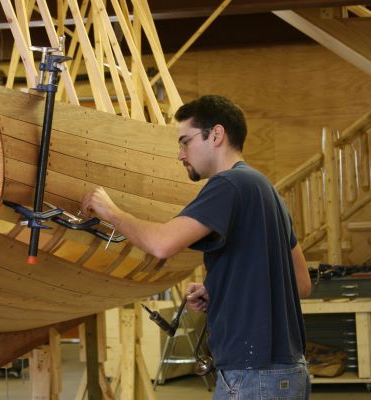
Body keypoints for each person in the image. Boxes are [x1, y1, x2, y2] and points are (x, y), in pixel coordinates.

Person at [81, 95, 312, 399]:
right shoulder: (267, 191)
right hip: (287, 372)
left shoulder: (228, 185)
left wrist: (110, 210)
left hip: (252, 376)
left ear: (216, 135)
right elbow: (302, 283)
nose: (180, 155)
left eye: (185, 142)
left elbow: (161, 244)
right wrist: (220, 291)